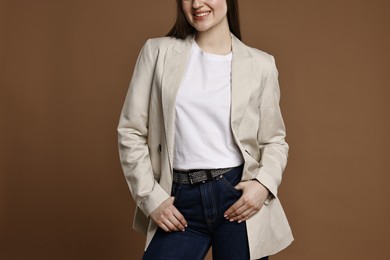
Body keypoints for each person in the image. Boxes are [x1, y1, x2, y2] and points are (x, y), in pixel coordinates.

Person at [117, 0, 293, 259]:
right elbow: (130, 131)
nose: (197, 3)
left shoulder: (261, 64)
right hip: (178, 199)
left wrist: (263, 185)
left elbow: (274, 140)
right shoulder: (157, 52)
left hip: (235, 195)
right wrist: (150, 197)